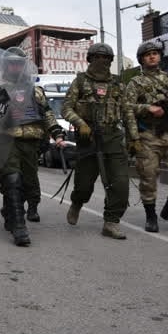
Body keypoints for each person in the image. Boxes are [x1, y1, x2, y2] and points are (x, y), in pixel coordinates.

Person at [0, 47, 66, 246]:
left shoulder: (35, 90)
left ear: (24, 66)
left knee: (28, 184)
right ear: (5, 65)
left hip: (32, 142)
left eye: (19, 63)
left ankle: (11, 212)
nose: (15, 66)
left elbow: (47, 114)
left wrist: (57, 134)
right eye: (11, 63)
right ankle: (19, 227)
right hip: (7, 141)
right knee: (12, 180)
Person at [62, 42, 131, 240]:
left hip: (113, 137)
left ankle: (111, 222)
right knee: (84, 185)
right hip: (88, 138)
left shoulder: (118, 84)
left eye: (106, 58)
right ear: (90, 59)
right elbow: (66, 108)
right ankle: (77, 203)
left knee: (120, 183)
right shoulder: (81, 82)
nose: (102, 61)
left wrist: (134, 138)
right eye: (97, 57)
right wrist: (80, 123)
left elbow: (127, 113)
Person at [124, 40, 168, 232]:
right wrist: (147, 107)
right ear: (141, 59)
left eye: (155, 53)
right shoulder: (136, 82)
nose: (152, 56)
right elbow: (126, 107)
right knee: (148, 177)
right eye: (148, 54)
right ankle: (151, 216)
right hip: (149, 135)